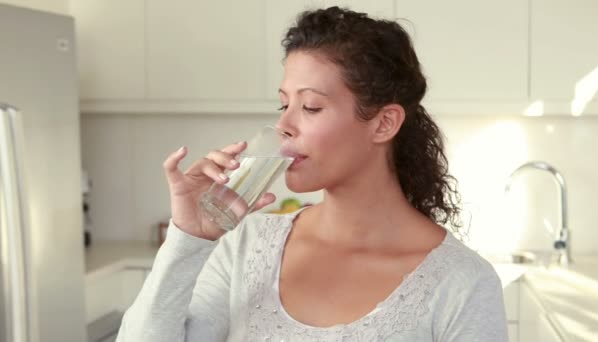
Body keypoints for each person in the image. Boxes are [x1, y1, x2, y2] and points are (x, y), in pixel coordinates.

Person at [116, 6, 507, 341]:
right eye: (283, 104)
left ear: (384, 124)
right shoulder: (247, 245)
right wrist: (189, 239)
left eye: (311, 107)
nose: (284, 125)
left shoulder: (461, 282)